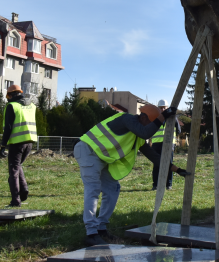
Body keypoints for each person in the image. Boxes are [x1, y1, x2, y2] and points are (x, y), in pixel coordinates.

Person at [74, 104, 188, 246]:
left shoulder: (137, 135)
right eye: (153, 123)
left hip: (101, 157)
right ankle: (91, 233)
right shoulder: (126, 119)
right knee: (93, 189)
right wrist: (163, 116)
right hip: (87, 150)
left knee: (113, 189)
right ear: (144, 117)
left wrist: (176, 169)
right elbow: (145, 132)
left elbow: (154, 156)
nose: (155, 128)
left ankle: (101, 228)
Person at [0, 84, 37, 208]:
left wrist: (3, 145)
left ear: (10, 95)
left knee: (13, 171)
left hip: (16, 142)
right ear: (20, 93)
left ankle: (16, 201)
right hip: (29, 142)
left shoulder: (11, 106)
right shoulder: (31, 106)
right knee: (18, 165)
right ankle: (24, 189)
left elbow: (8, 128)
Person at [151, 98, 184, 190]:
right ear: (158, 108)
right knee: (156, 165)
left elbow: (178, 130)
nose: (162, 110)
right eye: (160, 108)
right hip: (156, 144)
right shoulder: (154, 118)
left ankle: (168, 184)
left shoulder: (173, 118)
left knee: (169, 165)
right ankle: (155, 185)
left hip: (169, 144)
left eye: (164, 108)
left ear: (167, 108)